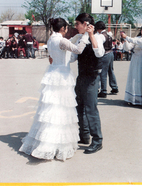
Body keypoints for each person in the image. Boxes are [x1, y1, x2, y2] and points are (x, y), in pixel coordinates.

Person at [19, 17, 91, 161]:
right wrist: (87, 36)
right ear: (63, 28)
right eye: (67, 27)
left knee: (51, 108)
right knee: (61, 108)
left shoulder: (52, 38)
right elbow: (77, 49)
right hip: (62, 75)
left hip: (52, 72)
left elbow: (68, 42)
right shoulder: (61, 40)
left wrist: (78, 36)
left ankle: (47, 140)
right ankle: (56, 143)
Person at [65, 13, 105, 154]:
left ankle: (97, 140)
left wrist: (91, 35)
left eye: (77, 24)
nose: (76, 27)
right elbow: (73, 57)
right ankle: (84, 135)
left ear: (86, 24)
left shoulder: (98, 37)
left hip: (92, 78)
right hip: (81, 76)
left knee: (91, 109)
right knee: (79, 107)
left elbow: (99, 53)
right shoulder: (80, 39)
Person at [95, 21, 119, 98]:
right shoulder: (108, 34)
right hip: (111, 53)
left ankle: (103, 90)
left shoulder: (101, 36)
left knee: (103, 73)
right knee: (111, 70)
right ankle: (114, 87)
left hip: (105, 54)